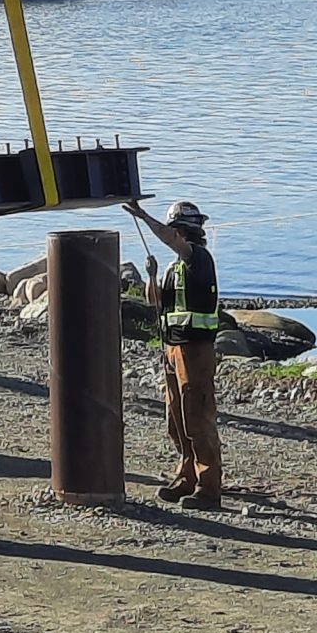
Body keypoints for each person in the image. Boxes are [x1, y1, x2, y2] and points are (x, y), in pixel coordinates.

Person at [126, 197, 224, 508]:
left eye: (175, 231)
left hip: (195, 351)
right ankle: (186, 476)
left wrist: (143, 216)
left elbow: (170, 240)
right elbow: (157, 301)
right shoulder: (176, 267)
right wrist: (152, 276)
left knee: (198, 416)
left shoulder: (198, 259)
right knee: (177, 418)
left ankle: (209, 487)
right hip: (173, 349)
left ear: (183, 232)